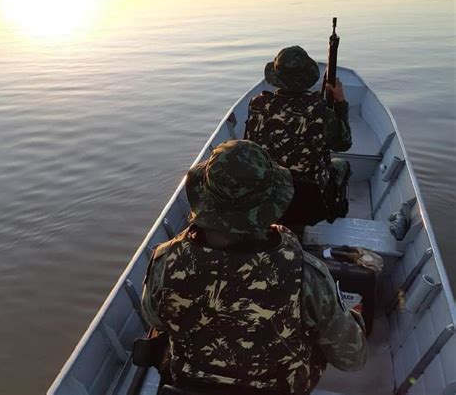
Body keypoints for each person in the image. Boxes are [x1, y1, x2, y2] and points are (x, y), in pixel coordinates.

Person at [141, 140, 366, 395]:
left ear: (203, 196)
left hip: (189, 385)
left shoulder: (165, 259)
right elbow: (351, 359)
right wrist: (353, 317)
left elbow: (153, 318)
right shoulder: (307, 273)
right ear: (272, 202)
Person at [244, 45, 353, 228]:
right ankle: (336, 211)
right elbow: (344, 144)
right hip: (308, 205)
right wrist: (340, 103)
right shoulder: (320, 111)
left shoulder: (257, 104)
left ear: (276, 77)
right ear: (308, 78)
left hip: (265, 197)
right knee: (342, 165)